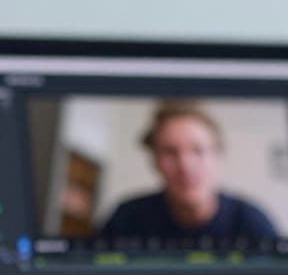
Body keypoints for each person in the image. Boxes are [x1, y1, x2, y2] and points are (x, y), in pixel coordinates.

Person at [99, 101, 278, 240]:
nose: (185, 165)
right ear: (155, 161)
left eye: (198, 150)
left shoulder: (253, 223)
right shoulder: (126, 219)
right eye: (170, 152)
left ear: (218, 156)